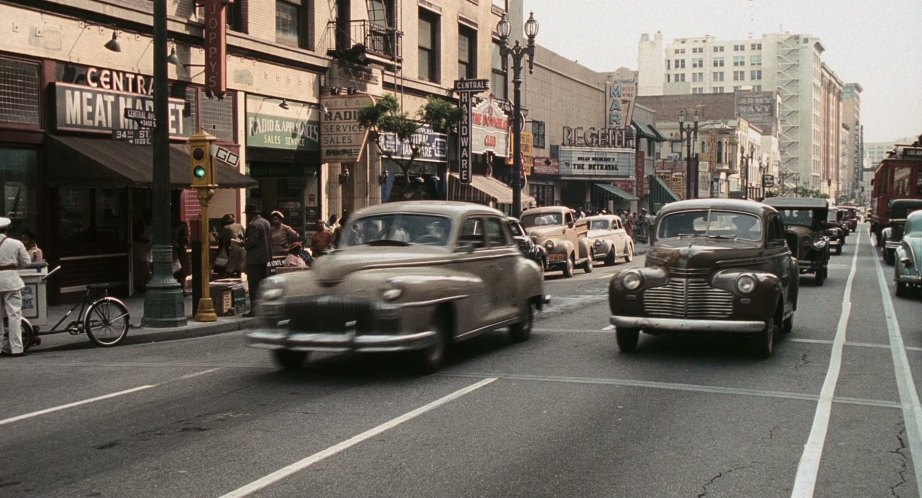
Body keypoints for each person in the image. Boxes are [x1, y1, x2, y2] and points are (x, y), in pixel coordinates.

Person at [0, 217, 32, 357]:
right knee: (14, 315)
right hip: (11, 281)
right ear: (6, 229)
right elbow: (26, 262)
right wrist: (13, 267)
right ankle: (17, 348)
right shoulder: (16, 243)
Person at [243, 205, 271, 317]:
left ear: (251, 214)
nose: (247, 217)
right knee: (263, 284)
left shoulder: (253, 225)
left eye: (247, 214)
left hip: (255, 259)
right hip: (265, 258)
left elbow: (252, 241)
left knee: (254, 285)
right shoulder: (266, 222)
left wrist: (244, 244)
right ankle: (264, 308)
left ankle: (254, 310)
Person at [171, 212, 190, 288]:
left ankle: (182, 287)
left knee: (182, 271)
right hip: (173, 250)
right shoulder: (169, 226)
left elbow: (186, 238)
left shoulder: (182, 225)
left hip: (179, 249)